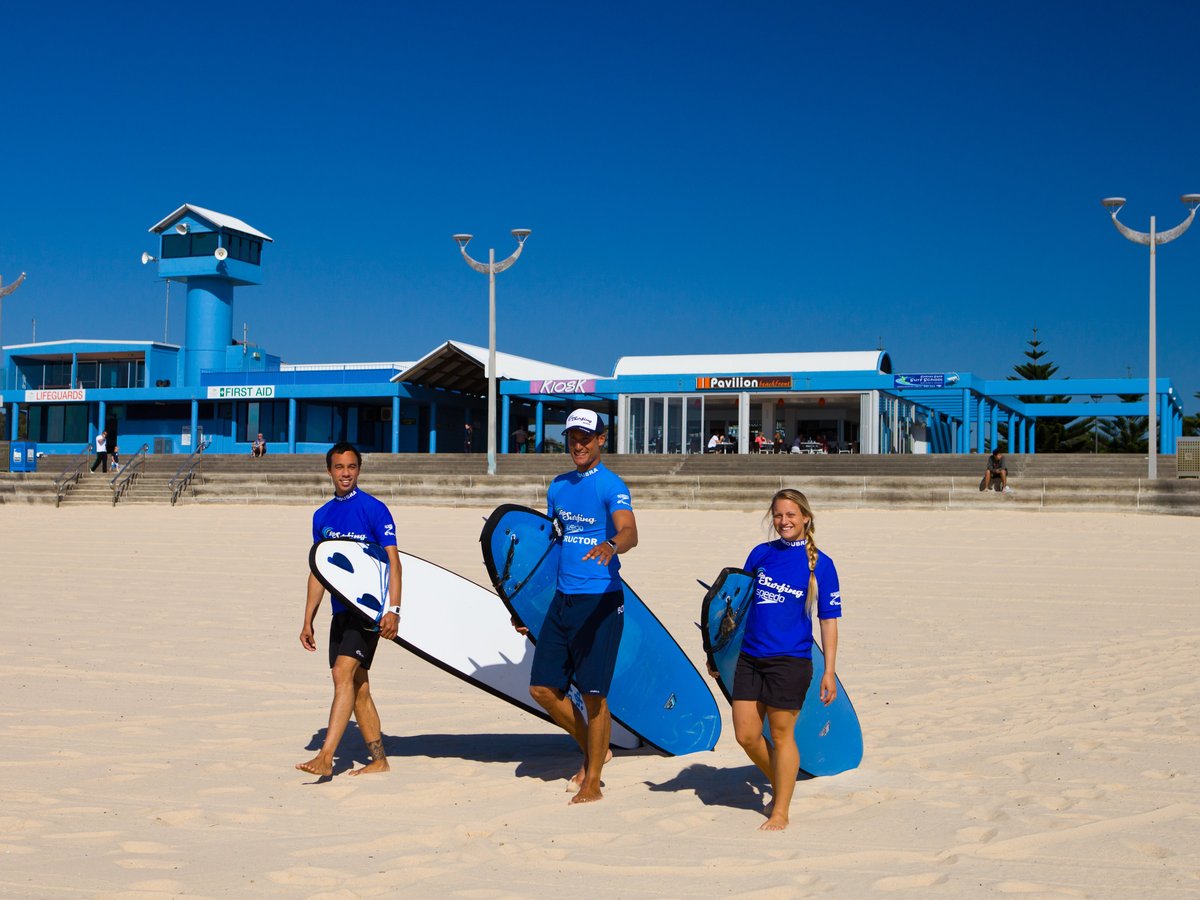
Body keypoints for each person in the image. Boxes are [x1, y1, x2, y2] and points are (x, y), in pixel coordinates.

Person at [516, 408, 637, 804]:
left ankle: (593, 781)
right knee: (542, 689)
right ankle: (595, 749)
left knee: (593, 693)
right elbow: (548, 548)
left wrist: (613, 544)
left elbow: (629, 530)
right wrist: (525, 606)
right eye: (572, 438)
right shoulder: (558, 487)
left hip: (600, 600)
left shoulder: (610, 485)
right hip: (563, 599)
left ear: (602, 440)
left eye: (586, 438)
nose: (578, 445)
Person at [709, 488, 841, 831]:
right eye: (779, 515)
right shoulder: (760, 554)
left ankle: (780, 809)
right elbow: (735, 606)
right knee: (746, 735)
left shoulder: (821, 565)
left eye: (791, 515)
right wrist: (715, 651)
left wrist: (830, 670)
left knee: (782, 736)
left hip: (791, 661)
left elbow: (828, 620)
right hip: (751, 656)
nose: (784, 521)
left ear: (806, 518)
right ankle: (783, 779)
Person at [296, 442, 402, 778]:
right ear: (329, 470)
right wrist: (308, 618)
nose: (346, 473)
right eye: (340, 467)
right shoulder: (321, 516)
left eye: (352, 467)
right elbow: (319, 571)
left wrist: (394, 610)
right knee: (358, 687)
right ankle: (379, 759)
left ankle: (326, 756)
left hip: (369, 610)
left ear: (359, 469)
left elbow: (395, 564)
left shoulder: (374, 509)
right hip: (340, 611)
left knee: (342, 674)